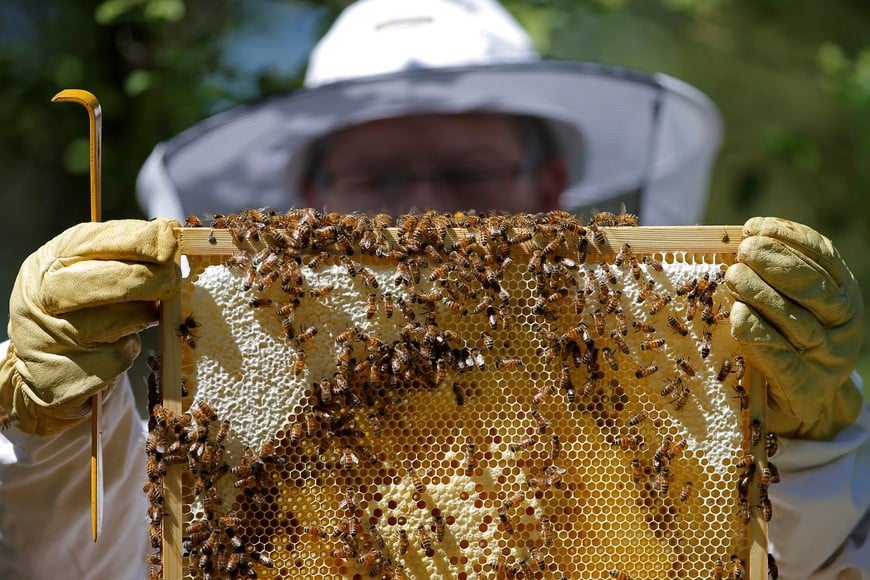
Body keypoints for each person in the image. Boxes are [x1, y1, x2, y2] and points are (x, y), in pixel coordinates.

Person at [1, 0, 866, 578]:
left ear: (552, 183)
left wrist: (818, 457)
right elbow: (89, 567)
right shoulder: (237, 406)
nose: (424, 209)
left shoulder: (668, 392)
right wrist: (44, 435)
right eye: (377, 176)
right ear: (310, 203)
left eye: (465, 167)